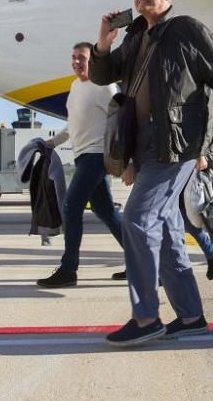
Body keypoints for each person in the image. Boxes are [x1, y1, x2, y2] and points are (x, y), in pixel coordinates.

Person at [90, 0, 213, 347]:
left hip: (177, 142)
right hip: (145, 145)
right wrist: (103, 43)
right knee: (168, 230)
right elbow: (102, 74)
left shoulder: (186, 30)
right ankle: (190, 316)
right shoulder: (135, 36)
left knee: (138, 220)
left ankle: (145, 318)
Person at [37, 42, 127, 288]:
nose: (77, 62)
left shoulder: (105, 86)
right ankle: (140, 262)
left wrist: (122, 158)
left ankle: (69, 269)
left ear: (93, 61)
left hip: (97, 156)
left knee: (71, 207)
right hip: (83, 155)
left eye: (83, 58)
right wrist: (52, 143)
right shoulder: (75, 86)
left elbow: (121, 120)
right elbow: (74, 124)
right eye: (74, 57)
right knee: (106, 212)